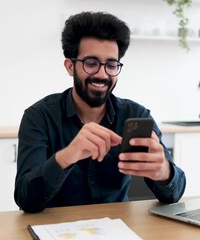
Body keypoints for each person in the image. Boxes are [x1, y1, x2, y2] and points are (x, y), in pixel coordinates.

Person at [14, 11, 186, 213]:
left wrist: (163, 171)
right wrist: (67, 155)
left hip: (118, 228)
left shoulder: (135, 115)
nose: (102, 74)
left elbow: (174, 194)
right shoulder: (39, 117)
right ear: (70, 66)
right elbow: (25, 198)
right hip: (56, 230)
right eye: (91, 63)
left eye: (111, 65)